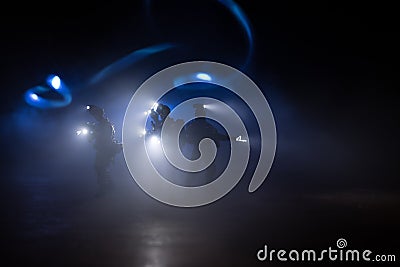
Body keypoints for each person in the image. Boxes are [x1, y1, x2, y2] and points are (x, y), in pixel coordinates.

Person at [86, 105, 122, 195]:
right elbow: (92, 139)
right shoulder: (101, 124)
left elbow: (105, 137)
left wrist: (94, 131)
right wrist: (92, 132)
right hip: (103, 149)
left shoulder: (105, 124)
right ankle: (109, 186)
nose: (94, 117)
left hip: (106, 149)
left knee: (100, 168)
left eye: (95, 115)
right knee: (100, 168)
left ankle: (105, 188)